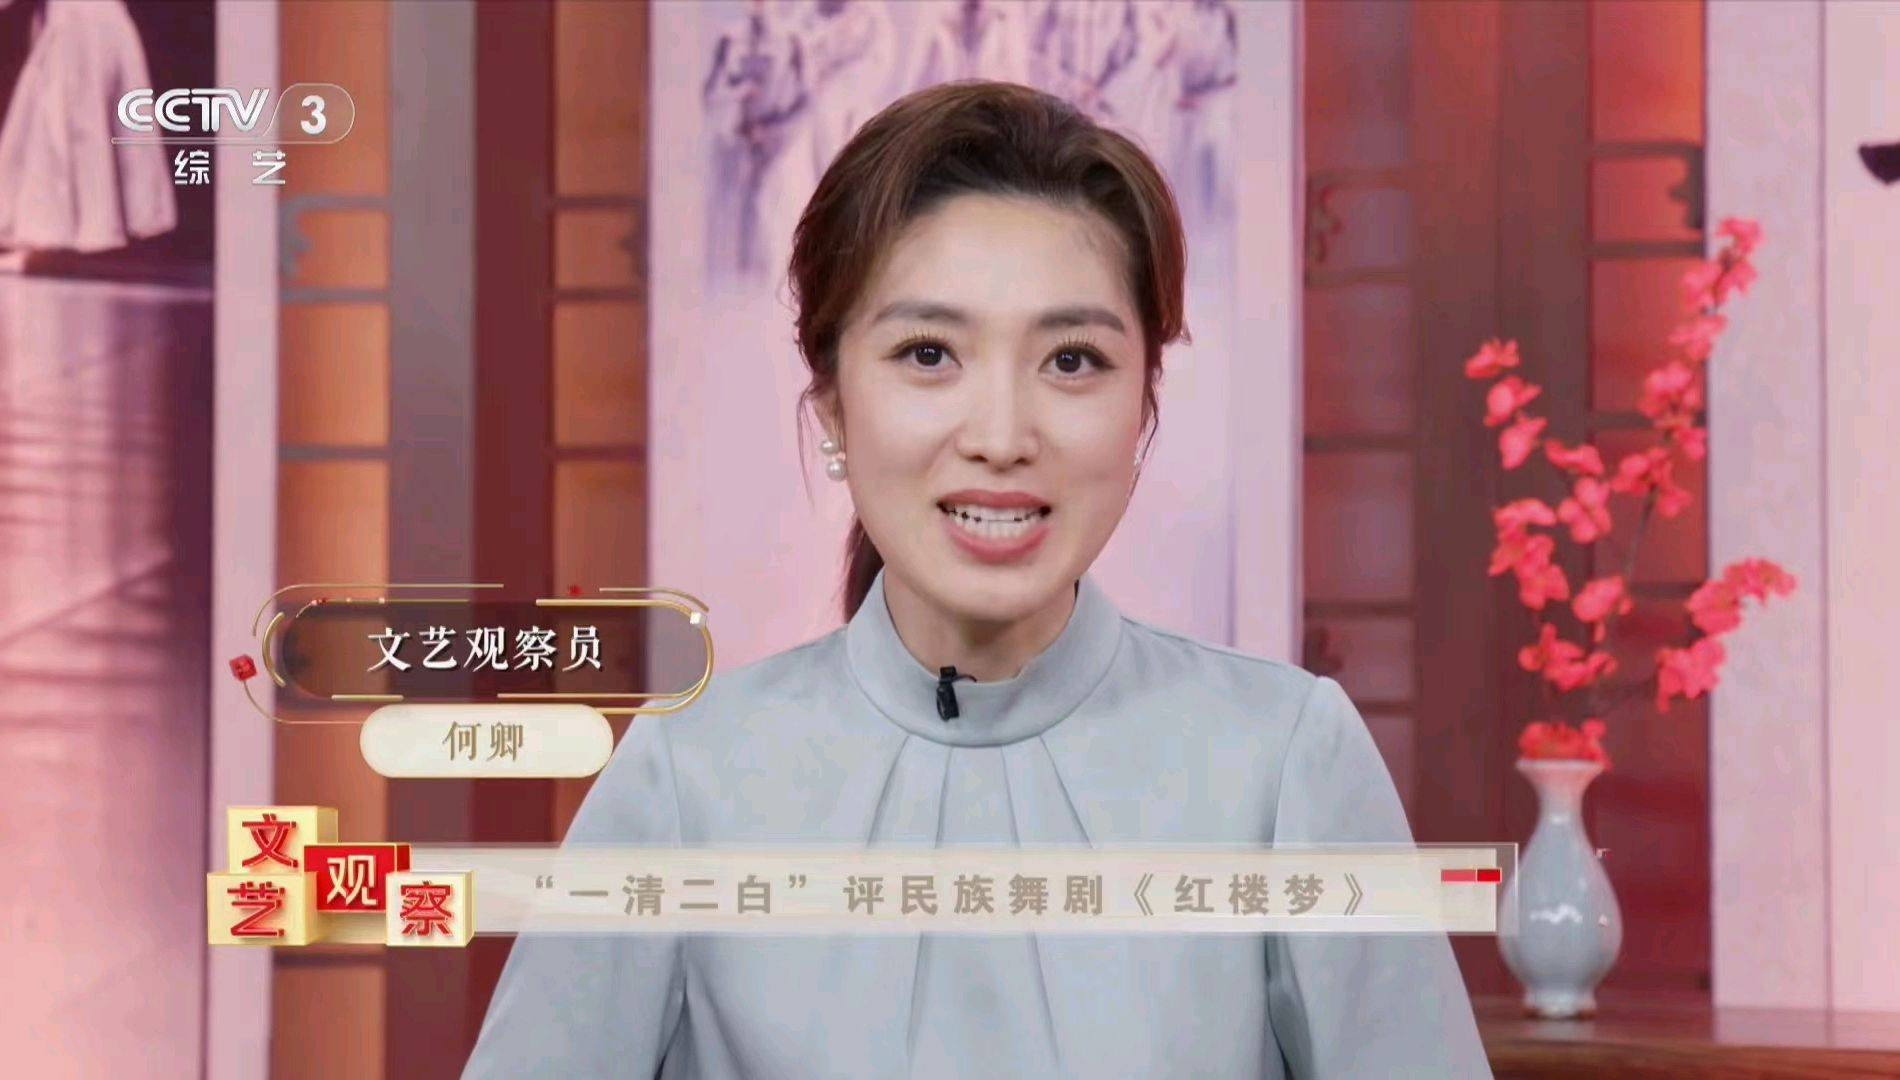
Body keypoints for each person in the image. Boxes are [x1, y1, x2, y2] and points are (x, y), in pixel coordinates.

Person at [465, 80, 1489, 1079]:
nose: (1001, 436)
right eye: (927, 353)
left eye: (1072, 361)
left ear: (1143, 407)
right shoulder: (686, 781)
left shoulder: (1286, 764)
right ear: (832, 406)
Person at [0, 0, 175, 272]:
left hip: (81, 25)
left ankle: (46, 240)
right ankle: (57, 238)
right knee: (68, 129)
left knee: (61, 130)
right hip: (93, 21)